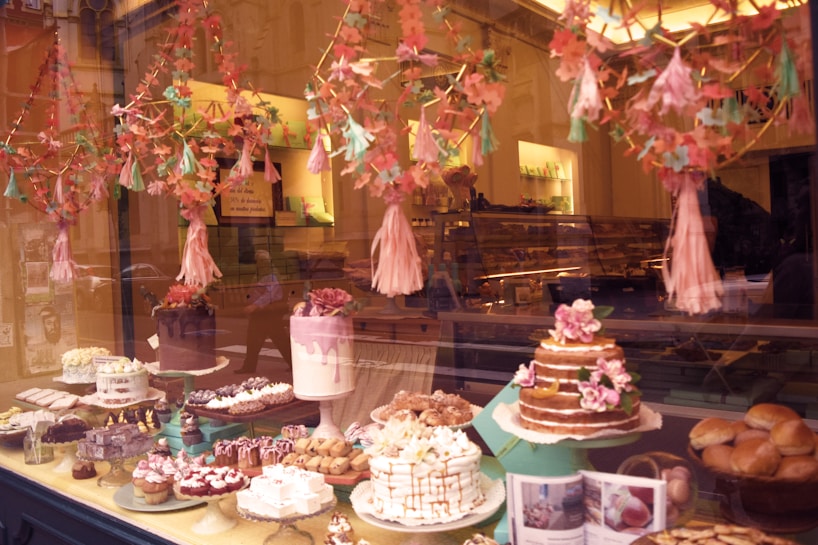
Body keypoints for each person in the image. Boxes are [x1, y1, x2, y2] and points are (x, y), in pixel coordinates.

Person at [235, 250, 292, 374]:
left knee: (277, 340)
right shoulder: (261, 274)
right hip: (262, 313)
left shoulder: (271, 275)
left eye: (262, 261)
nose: (260, 264)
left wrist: (254, 306)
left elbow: (270, 294)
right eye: (258, 261)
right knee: (258, 340)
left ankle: (249, 367)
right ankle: (249, 366)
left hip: (267, 313)